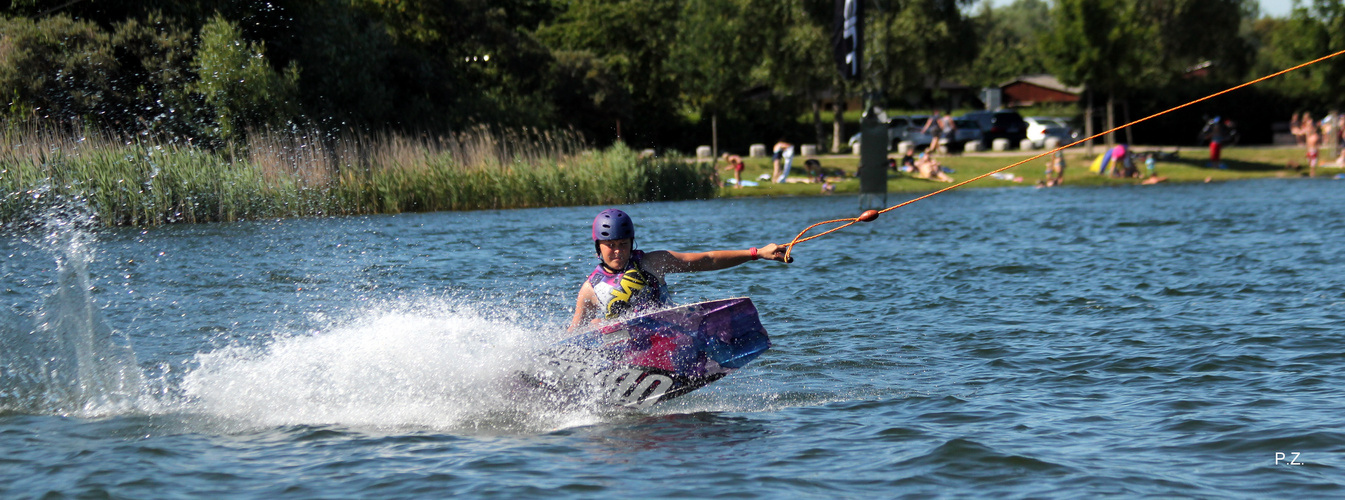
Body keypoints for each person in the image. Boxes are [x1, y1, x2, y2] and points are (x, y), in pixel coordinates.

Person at [569, 209, 791, 330]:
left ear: (632, 242)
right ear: (598, 246)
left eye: (623, 244)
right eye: (610, 245)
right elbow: (572, 335)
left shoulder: (652, 262)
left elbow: (708, 259)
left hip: (669, 335)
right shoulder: (590, 289)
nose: (617, 251)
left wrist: (757, 253)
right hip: (623, 354)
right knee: (593, 325)